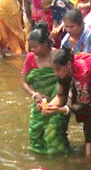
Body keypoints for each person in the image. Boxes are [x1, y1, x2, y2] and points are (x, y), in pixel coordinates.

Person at [22, 24, 72, 155]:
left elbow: (67, 81)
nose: (32, 50)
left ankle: (60, 163)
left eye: (35, 46)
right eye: (31, 47)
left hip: (58, 103)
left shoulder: (57, 56)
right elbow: (24, 82)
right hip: (39, 104)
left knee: (54, 134)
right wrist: (34, 95)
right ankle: (42, 163)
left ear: (45, 44)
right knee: (35, 135)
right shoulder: (30, 59)